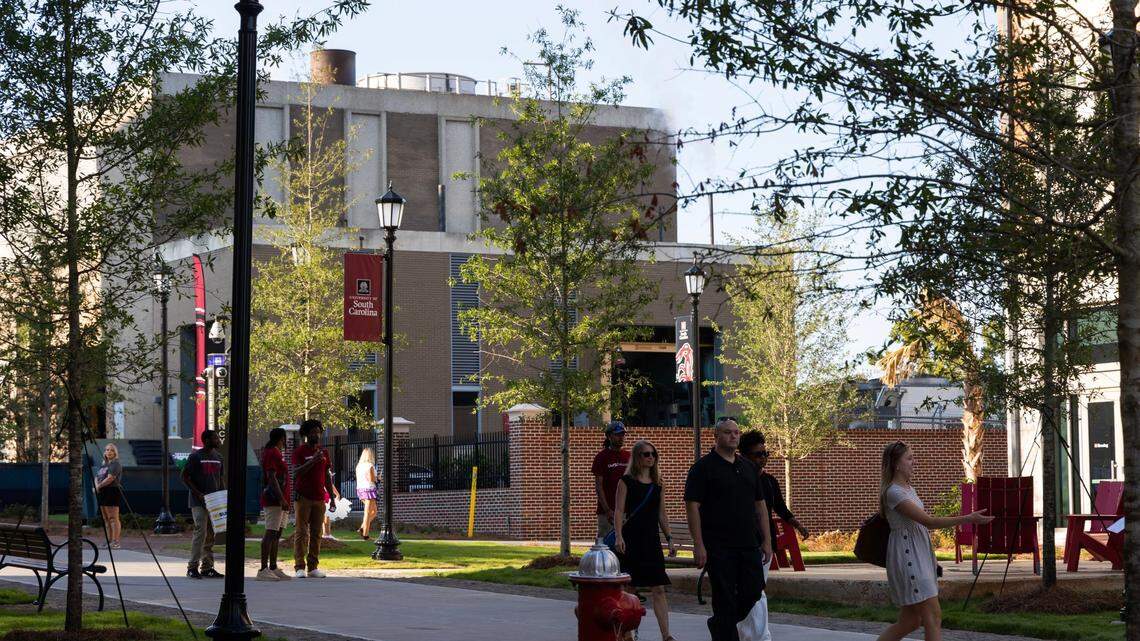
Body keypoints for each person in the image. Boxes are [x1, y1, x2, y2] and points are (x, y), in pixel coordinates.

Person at [877, 441, 994, 641]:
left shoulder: (908, 489)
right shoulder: (894, 492)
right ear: (896, 464)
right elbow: (928, 522)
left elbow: (920, 526)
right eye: (909, 458)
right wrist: (968, 518)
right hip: (908, 557)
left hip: (918, 554)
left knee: (910, 621)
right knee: (933, 616)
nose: (914, 462)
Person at [684, 417, 772, 641]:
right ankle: (724, 630)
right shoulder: (703, 468)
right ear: (716, 436)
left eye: (736, 432)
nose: (733, 436)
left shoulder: (749, 467)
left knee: (754, 591)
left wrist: (767, 541)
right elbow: (692, 507)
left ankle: (719, 624)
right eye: (727, 432)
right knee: (724, 599)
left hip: (749, 544)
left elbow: (760, 506)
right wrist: (698, 544)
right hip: (719, 547)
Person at [614, 440, 677, 641]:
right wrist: (618, 536)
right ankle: (627, 633)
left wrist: (669, 538)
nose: (651, 458)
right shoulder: (626, 482)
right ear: (637, 457)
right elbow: (618, 511)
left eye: (653, 454)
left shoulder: (658, 484)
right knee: (630, 588)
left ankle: (666, 635)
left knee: (659, 588)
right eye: (646, 454)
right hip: (631, 539)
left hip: (651, 541)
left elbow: (662, 514)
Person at [292, 418, 337, 578]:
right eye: (312, 432)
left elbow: (327, 476)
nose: (316, 435)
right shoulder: (300, 452)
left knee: (317, 533)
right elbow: (296, 472)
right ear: (306, 434)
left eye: (318, 432)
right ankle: (299, 567)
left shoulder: (324, 452)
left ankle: (313, 567)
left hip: (319, 498)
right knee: (301, 532)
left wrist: (332, 498)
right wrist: (313, 461)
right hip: (303, 497)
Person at [182, 430, 224, 579]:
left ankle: (207, 567)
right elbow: (184, 476)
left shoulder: (219, 457)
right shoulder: (195, 457)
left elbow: (220, 479)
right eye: (215, 438)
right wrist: (198, 493)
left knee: (211, 534)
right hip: (198, 501)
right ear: (206, 440)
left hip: (214, 501)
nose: (218, 440)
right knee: (201, 531)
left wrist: (223, 497)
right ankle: (192, 567)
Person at [257, 428, 292, 581]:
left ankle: (273, 567)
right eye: (284, 439)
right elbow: (271, 477)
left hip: (282, 500)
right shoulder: (272, 453)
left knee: (277, 534)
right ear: (281, 438)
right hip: (274, 500)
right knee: (270, 532)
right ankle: (263, 569)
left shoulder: (277, 453)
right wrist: (281, 499)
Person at [591, 420, 630, 538]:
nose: (621, 437)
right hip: (608, 513)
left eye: (622, 434)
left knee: (628, 544)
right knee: (606, 544)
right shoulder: (601, 457)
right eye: (617, 434)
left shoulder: (629, 457)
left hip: (627, 511)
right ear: (609, 436)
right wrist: (607, 510)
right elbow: (599, 486)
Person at [94, 443, 123, 549]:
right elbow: (97, 477)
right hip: (103, 492)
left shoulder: (115, 464)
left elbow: (110, 478)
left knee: (113, 518)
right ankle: (109, 540)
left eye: (111, 450)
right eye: (107, 450)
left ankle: (116, 542)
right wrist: (96, 486)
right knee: (106, 518)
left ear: (115, 453)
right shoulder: (104, 465)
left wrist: (98, 486)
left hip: (112, 491)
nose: (109, 452)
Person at [355, 448, 378, 540]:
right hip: (369, 489)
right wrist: (378, 478)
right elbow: (371, 479)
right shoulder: (370, 466)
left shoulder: (358, 466)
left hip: (360, 489)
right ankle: (366, 535)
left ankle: (362, 528)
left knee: (374, 512)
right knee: (368, 513)